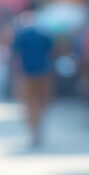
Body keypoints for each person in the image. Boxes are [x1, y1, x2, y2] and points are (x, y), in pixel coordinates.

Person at [11, 10, 56, 147]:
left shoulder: (21, 35)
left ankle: (33, 130)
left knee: (30, 103)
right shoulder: (44, 34)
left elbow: (15, 55)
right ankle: (38, 127)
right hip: (43, 71)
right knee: (42, 101)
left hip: (27, 73)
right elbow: (52, 51)